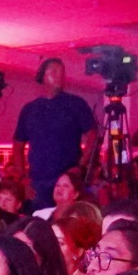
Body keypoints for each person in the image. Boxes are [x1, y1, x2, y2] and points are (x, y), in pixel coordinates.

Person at [14, 59, 100, 206]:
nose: (59, 76)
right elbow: (17, 146)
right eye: (54, 72)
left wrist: (80, 166)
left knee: (67, 216)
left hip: (68, 178)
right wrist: (23, 178)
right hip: (38, 182)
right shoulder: (30, 109)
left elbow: (93, 135)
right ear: (42, 76)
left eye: (62, 72)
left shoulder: (75, 104)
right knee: (38, 216)